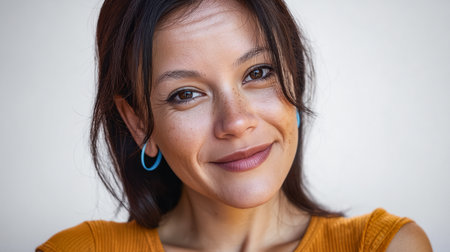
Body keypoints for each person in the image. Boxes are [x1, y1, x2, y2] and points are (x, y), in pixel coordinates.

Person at [37, 0, 432, 251]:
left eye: (258, 72)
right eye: (186, 94)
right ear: (140, 124)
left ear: (293, 78)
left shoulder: (387, 245)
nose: (237, 121)